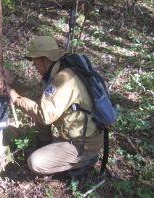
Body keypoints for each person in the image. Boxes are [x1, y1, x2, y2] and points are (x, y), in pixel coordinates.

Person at [9, 36, 103, 175]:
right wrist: (13, 83)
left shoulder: (64, 78)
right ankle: (45, 143)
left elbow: (44, 115)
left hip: (83, 144)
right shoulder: (57, 71)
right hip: (79, 138)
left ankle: (85, 160)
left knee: (35, 162)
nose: (33, 65)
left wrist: (16, 99)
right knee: (40, 103)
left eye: (34, 61)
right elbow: (36, 96)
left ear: (44, 58)